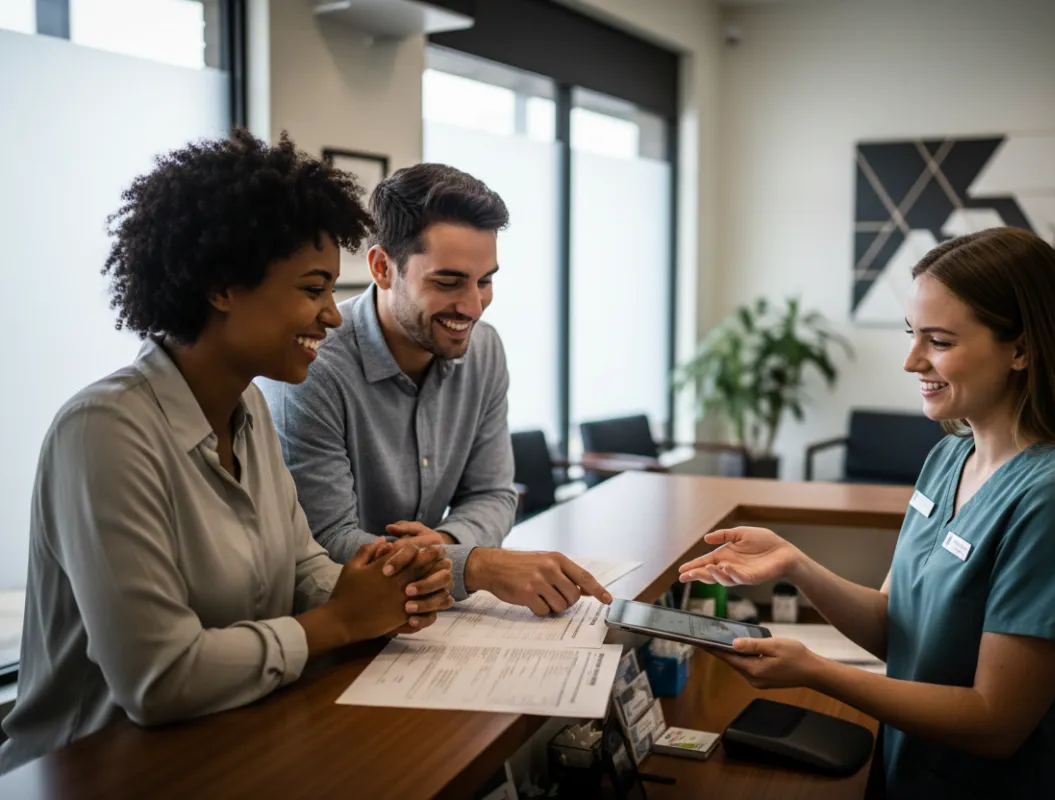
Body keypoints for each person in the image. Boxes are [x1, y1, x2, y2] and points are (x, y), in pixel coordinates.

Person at [0, 131, 454, 774]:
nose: (333, 316)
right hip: (92, 770)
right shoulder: (103, 431)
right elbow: (158, 679)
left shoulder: (249, 411)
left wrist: (388, 588)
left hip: (226, 741)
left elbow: (301, 571)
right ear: (221, 287)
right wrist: (342, 622)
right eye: (313, 288)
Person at [679, 227, 1055, 799]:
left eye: (939, 341)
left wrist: (817, 671)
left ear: (1022, 348)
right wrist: (796, 564)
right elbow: (898, 629)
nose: (911, 361)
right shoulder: (950, 455)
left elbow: (995, 722)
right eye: (912, 335)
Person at [259, 163, 611, 616]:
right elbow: (326, 543)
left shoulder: (484, 350)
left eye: (485, 281)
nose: (472, 306)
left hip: (429, 617)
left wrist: (444, 543)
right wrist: (475, 566)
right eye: (448, 282)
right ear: (383, 268)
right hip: (335, 628)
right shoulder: (312, 365)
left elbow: (493, 493)